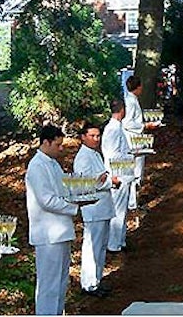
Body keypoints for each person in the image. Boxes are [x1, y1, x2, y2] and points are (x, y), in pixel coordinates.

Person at [25, 125, 80, 315]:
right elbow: (46, 200)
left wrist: (85, 192)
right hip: (47, 234)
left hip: (61, 231)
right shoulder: (36, 166)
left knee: (61, 280)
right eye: (58, 145)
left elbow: (65, 188)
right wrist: (74, 208)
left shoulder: (53, 163)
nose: (61, 149)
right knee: (49, 283)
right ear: (46, 142)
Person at [73, 122, 117, 298]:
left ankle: (96, 280)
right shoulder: (83, 157)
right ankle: (89, 283)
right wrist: (108, 181)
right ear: (83, 137)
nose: (96, 139)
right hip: (94, 208)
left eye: (98, 136)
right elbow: (87, 183)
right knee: (92, 246)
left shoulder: (94, 154)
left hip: (102, 206)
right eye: (92, 136)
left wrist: (104, 179)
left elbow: (99, 177)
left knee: (100, 246)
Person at [101, 98, 134, 253]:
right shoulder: (113, 129)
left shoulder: (116, 127)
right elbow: (113, 154)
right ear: (122, 110)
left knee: (123, 209)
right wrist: (116, 176)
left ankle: (120, 240)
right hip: (118, 174)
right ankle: (113, 243)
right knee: (118, 210)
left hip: (124, 172)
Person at [122, 75, 157, 211]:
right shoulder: (130, 102)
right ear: (137, 87)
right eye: (141, 86)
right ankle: (132, 203)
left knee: (137, 171)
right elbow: (128, 123)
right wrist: (145, 126)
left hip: (136, 138)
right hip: (133, 139)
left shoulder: (132, 100)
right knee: (135, 172)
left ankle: (133, 201)